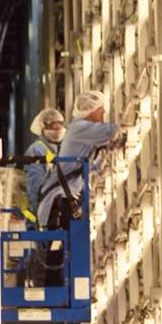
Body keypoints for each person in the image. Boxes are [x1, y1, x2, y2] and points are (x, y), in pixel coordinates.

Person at [36, 90, 118, 229]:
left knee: (71, 244)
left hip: (63, 200)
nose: (104, 113)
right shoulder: (80, 128)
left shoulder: (83, 132)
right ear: (89, 112)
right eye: (100, 110)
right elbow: (113, 131)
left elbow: (92, 162)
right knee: (72, 242)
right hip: (59, 202)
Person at [23, 108, 65, 219]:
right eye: (52, 125)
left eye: (60, 124)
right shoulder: (36, 151)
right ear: (42, 128)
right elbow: (35, 188)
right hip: (45, 213)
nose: (57, 128)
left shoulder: (62, 149)